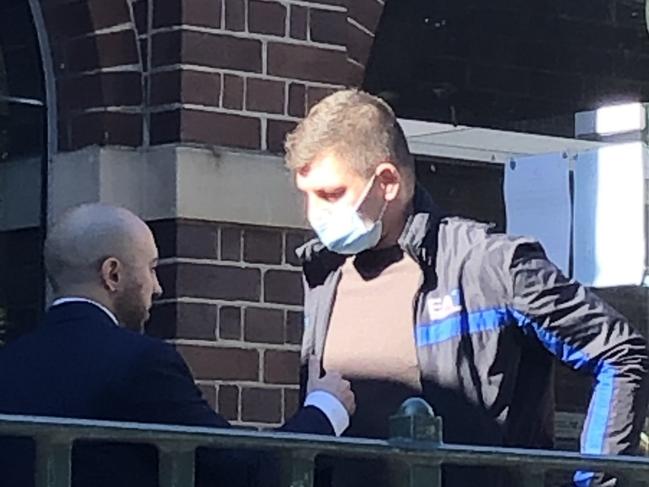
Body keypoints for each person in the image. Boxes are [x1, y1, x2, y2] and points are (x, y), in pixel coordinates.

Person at [284, 89, 649, 487]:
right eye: (306, 195)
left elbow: (620, 353)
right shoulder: (324, 276)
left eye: (331, 194)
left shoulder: (487, 265)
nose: (314, 213)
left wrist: (594, 482)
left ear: (387, 181)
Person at [0, 203, 355, 487]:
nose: (157, 288)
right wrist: (325, 409)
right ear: (113, 274)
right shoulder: (142, 363)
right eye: (151, 269)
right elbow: (240, 473)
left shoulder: (10, 363)